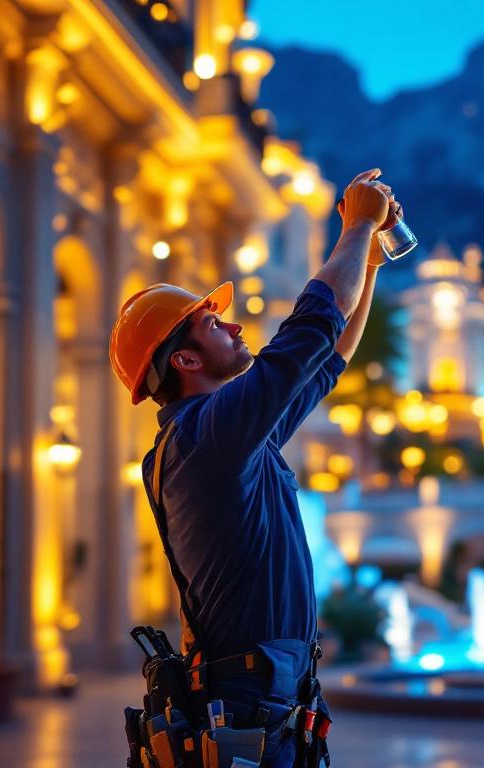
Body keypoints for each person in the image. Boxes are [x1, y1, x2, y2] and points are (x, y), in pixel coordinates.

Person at [109, 169, 397, 767]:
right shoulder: (206, 437)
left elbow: (329, 354)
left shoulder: (231, 440)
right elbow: (310, 329)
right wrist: (357, 224)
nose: (235, 324)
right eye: (214, 324)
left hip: (263, 707)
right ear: (185, 359)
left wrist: (366, 262)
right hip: (248, 710)